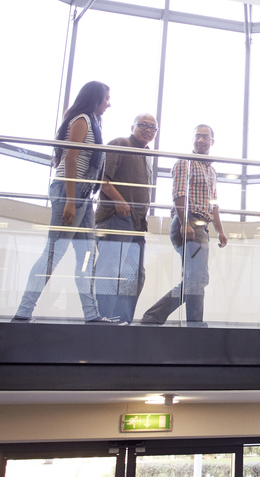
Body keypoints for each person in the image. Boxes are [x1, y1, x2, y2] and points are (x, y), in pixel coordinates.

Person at [13, 81, 121, 324]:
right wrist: (71, 202)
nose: (109, 103)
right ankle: (22, 313)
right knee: (53, 254)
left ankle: (92, 316)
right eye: (106, 99)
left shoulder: (93, 123)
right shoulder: (81, 120)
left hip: (84, 196)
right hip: (69, 192)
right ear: (94, 99)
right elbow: (70, 159)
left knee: (85, 256)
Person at [139, 124, 227, 327]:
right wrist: (185, 223)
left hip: (202, 226)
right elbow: (179, 194)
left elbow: (213, 204)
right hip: (187, 223)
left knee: (196, 278)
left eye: (205, 137)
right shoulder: (184, 163)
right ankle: (181, 322)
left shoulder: (212, 171)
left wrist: (220, 231)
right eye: (197, 136)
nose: (200, 140)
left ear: (212, 142)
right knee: (198, 277)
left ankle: (172, 320)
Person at [93, 113, 158, 323]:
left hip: (138, 224)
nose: (148, 130)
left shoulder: (147, 155)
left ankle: (124, 321)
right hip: (116, 218)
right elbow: (102, 180)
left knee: (135, 276)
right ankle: (105, 319)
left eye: (152, 128)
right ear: (133, 126)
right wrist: (120, 202)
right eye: (143, 125)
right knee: (110, 271)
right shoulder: (120, 143)